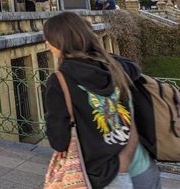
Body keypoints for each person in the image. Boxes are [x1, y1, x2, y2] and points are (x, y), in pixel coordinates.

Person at [44, 12, 161, 189]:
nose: (47, 44)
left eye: (48, 39)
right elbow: (134, 68)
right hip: (142, 166)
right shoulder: (115, 66)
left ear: (59, 43)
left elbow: (59, 141)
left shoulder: (60, 81)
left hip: (103, 176)